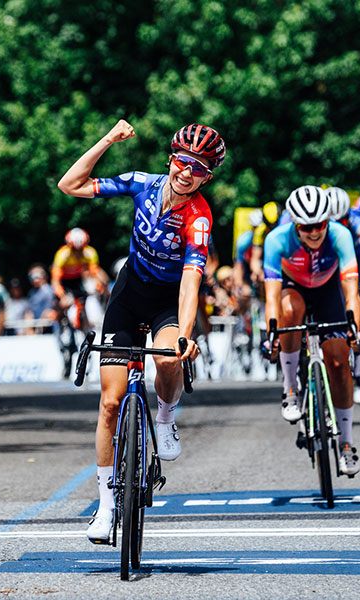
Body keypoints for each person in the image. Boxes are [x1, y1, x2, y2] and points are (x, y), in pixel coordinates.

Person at [57, 119, 225, 543]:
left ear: (208, 176)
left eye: (200, 168)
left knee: (169, 356)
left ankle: (166, 417)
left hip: (169, 300)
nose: (188, 172)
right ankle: (106, 505)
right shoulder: (141, 184)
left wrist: (186, 334)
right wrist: (109, 140)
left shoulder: (199, 217)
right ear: (171, 158)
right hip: (129, 293)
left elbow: (191, 280)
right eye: (184, 161)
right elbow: (70, 185)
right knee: (110, 404)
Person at [262, 185, 360, 476]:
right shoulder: (276, 239)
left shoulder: (340, 235)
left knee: (338, 364)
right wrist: (272, 334)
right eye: (307, 227)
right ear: (295, 224)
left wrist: (353, 325)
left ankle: (346, 444)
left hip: (329, 291)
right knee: (290, 311)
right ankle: (291, 387)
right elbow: (271, 296)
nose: (315, 232)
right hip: (295, 290)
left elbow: (351, 289)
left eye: (320, 225)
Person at [331, 186, 360, 404]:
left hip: (353, 265)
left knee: (358, 307)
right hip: (327, 267)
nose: (338, 225)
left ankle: (358, 375)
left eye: (342, 220)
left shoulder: (356, 219)